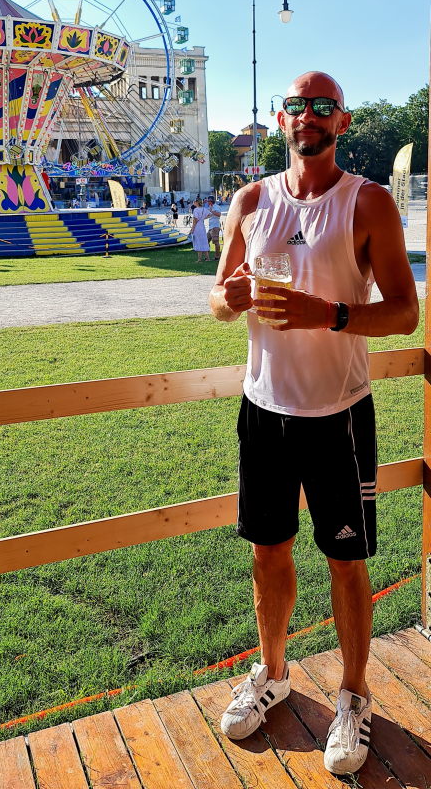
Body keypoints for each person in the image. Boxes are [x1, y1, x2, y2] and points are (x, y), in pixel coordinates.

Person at [209, 71, 418, 776]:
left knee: (346, 559)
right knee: (268, 551)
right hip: (263, 408)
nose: (307, 116)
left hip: (338, 414)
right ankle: (272, 674)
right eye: (296, 106)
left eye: (321, 105)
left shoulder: (369, 203)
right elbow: (215, 298)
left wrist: (326, 314)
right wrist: (230, 300)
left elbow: (404, 313)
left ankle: (354, 697)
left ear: (343, 121)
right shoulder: (250, 199)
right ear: (280, 119)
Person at [191, 197, 211, 261]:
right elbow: (210, 214)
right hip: (202, 226)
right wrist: (203, 218)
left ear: (197, 202)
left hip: (197, 227)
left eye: (194, 201)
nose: (193, 202)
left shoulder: (196, 210)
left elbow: (195, 220)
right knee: (204, 241)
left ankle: (199, 259)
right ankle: (207, 258)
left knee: (198, 241)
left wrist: (192, 229)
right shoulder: (204, 209)